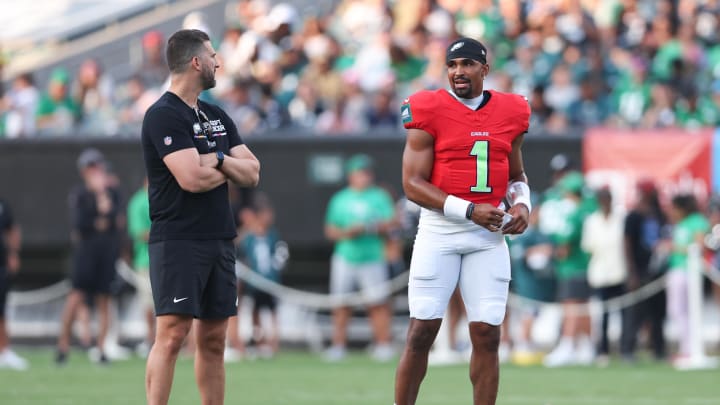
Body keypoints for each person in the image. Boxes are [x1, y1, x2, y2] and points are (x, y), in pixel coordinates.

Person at [394, 37, 532, 405]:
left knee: (488, 333)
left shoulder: (512, 110)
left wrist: (522, 205)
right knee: (422, 330)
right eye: (453, 65)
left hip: (488, 237)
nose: (458, 72)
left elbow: (516, 175)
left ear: (485, 70)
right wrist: (469, 210)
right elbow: (412, 185)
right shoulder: (428, 106)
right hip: (440, 232)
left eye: (468, 64)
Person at [141, 29, 260, 405]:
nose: (218, 62)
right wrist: (226, 166)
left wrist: (219, 158)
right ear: (196, 62)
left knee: (214, 338)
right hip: (178, 239)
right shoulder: (162, 115)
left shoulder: (215, 114)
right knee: (173, 335)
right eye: (212, 55)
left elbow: (254, 171)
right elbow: (191, 179)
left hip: (219, 238)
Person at [324, 154, 396, 362]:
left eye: (367, 173)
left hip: (373, 256)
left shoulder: (379, 197)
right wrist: (349, 232)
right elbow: (330, 230)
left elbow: (392, 223)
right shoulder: (340, 199)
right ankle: (338, 345)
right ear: (351, 175)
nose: (365, 177)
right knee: (341, 304)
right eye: (360, 173)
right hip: (345, 257)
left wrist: (369, 227)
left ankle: (382, 344)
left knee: (377, 303)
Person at [56, 148, 122, 365]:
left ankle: (101, 349)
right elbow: (81, 224)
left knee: (104, 299)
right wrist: (99, 221)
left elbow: (115, 220)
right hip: (86, 253)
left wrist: (102, 195)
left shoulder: (112, 191)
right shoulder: (79, 194)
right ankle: (63, 345)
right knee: (75, 297)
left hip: (106, 252)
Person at [542, 172, 595, 367]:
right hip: (584, 265)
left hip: (572, 266)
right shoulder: (587, 210)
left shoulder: (574, 214)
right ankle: (586, 346)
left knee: (572, 306)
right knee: (582, 306)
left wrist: (551, 252)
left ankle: (568, 345)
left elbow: (564, 248)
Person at [580, 186, 630, 365]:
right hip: (600, 274)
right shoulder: (592, 221)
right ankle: (603, 351)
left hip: (620, 272)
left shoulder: (621, 218)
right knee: (603, 316)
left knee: (625, 313)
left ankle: (626, 350)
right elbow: (588, 247)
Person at [237, 193, 288, 358]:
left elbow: (281, 254)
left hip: (271, 281)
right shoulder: (249, 238)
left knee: (273, 312)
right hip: (254, 282)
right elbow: (241, 253)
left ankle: (273, 343)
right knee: (256, 312)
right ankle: (259, 342)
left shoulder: (273, 235)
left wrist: (274, 270)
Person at [623, 180, 667, 361]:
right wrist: (632, 272)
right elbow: (627, 243)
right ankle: (627, 350)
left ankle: (659, 350)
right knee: (635, 314)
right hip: (639, 271)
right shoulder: (633, 216)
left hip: (657, 272)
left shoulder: (659, 214)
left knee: (658, 314)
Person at [666, 194, 709, 366]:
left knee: (687, 311)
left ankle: (690, 349)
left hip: (688, 272)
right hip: (677, 270)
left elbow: (699, 247)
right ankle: (687, 347)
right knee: (678, 311)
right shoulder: (680, 224)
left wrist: (673, 247)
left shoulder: (697, 221)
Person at [127, 177, 155, 357]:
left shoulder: (163, 197)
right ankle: (151, 339)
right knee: (149, 304)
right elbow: (139, 233)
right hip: (146, 261)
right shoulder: (138, 202)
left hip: (166, 260)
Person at [0, 199, 28, 370]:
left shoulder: (2, 205)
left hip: (0, 266)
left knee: (1, 310)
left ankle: (4, 350)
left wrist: (13, 254)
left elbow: (12, 229)